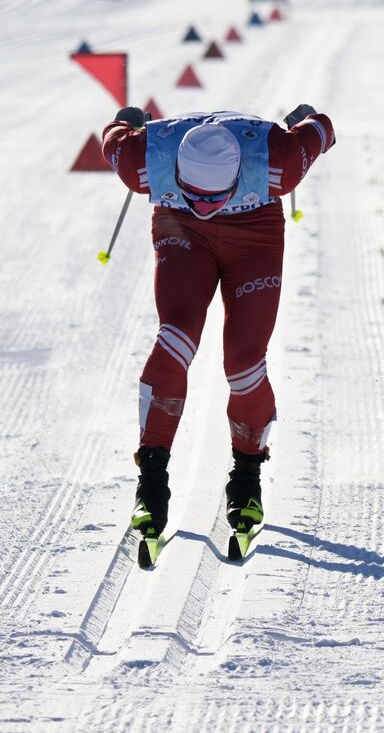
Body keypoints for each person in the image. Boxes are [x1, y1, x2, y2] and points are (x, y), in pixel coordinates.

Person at [101, 104, 335, 553]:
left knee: (245, 363)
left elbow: (323, 128)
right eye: (193, 193)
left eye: (214, 198)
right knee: (175, 338)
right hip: (182, 230)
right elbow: (113, 137)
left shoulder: (280, 160)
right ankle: (151, 479)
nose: (206, 207)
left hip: (254, 235)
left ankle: (246, 478)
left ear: (238, 176)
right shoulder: (141, 160)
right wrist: (124, 121)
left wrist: (306, 122)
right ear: (175, 173)